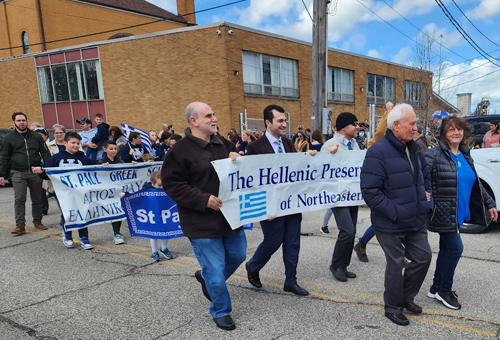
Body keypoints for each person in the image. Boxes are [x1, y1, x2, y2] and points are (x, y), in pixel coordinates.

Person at [162, 101, 246, 331]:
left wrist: (237, 157)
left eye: (214, 114)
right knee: (216, 270)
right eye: (209, 115)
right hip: (200, 222)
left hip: (230, 218)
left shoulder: (224, 143)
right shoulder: (179, 151)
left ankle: (206, 277)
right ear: (194, 121)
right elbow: (172, 185)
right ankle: (221, 310)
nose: (215, 118)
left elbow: (241, 171)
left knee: (238, 256)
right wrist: (203, 199)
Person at [360, 103, 433, 326]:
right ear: (396, 125)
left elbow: (425, 175)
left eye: (416, 123)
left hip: (416, 218)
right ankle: (392, 306)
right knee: (396, 263)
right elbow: (370, 191)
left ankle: (405, 298)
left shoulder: (413, 148)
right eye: (412, 124)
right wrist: (396, 211)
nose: (415, 128)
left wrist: (427, 196)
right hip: (389, 222)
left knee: (423, 257)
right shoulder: (377, 152)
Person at [424, 116, 497, 310]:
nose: (456, 133)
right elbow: (422, 179)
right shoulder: (434, 154)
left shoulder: (465, 154)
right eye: (451, 130)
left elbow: (476, 183)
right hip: (443, 210)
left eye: (459, 129)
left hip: (459, 210)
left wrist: (490, 204)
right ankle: (444, 290)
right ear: (444, 133)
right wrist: (427, 198)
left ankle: (436, 287)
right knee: (455, 249)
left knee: (448, 249)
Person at [245, 104, 314, 297]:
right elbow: (252, 181)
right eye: (280, 121)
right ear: (268, 123)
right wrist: (261, 209)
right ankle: (253, 265)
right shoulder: (255, 148)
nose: (284, 124)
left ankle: (290, 281)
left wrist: (310, 158)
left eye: (285, 120)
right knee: (273, 241)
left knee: (292, 242)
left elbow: (296, 170)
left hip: (291, 204)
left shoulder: (289, 144)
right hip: (270, 205)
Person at [33, 132, 94, 249]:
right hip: (62, 193)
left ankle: (84, 237)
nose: (76, 145)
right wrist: (41, 172)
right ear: (65, 143)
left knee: (82, 212)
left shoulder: (85, 159)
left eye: (78, 143)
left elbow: (94, 173)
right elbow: (48, 175)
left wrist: (105, 166)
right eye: (73, 143)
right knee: (67, 213)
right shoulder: (56, 158)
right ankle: (67, 234)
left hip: (80, 192)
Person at [320, 112, 360, 282]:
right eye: (354, 124)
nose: (357, 127)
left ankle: (344, 266)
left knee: (352, 232)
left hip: (353, 195)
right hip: (338, 196)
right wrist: (329, 156)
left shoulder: (354, 144)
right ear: (344, 127)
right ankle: (336, 265)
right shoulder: (330, 145)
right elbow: (320, 169)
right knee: (347, 231)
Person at [353, 101, 394, 262]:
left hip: (395, 183)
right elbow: (381, 131)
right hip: (381, 186)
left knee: (393, 219)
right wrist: (389, 112)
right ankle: (363, 243)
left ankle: (363, 242)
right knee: (384, 219)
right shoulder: (377, 144)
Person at [0, 112, 51, 234]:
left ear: (26, 121)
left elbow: (45, 153)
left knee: (37, 198)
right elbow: (4, 157)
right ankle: (20, 225)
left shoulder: (36, 136)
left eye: (23, 120)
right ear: (14, 123)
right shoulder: (9, 138)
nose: (21, 122)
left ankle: (38, 222)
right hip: (18, 172)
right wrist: (1, 174)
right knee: (19, 199)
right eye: (18, 120)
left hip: (35, 172)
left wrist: (49, 169)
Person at [99, 140, 130, 245]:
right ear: (105, 149)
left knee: (118, 209)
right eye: (111, 149)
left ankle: (116, 233)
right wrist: (101, 167)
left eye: (115, 149)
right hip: (106, 192)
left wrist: (133, 164)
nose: (113, 151)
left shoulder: (120, 161)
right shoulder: (100, 161)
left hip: (118, 190)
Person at [35, 127, 50, 215]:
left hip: (48, 168)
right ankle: (43, 209)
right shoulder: (35, 145)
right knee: (41, 190)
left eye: (41, 135)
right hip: (39, 169)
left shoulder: (50, 144)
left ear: (46, 135)